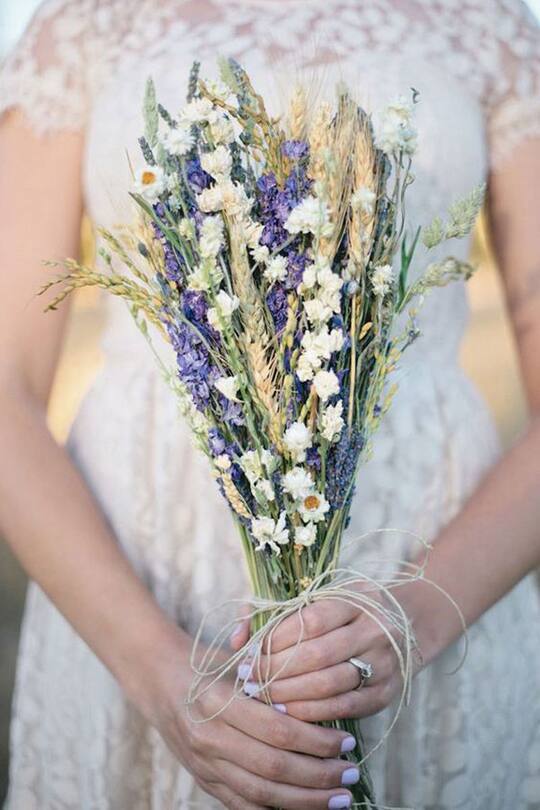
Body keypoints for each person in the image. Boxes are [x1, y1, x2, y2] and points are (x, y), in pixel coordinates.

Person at [0, 0, 539, 808]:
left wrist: (418, 616)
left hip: (437, 571)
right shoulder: (85, 21)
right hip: (136, 590)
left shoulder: (488, 25)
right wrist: (153, 666)